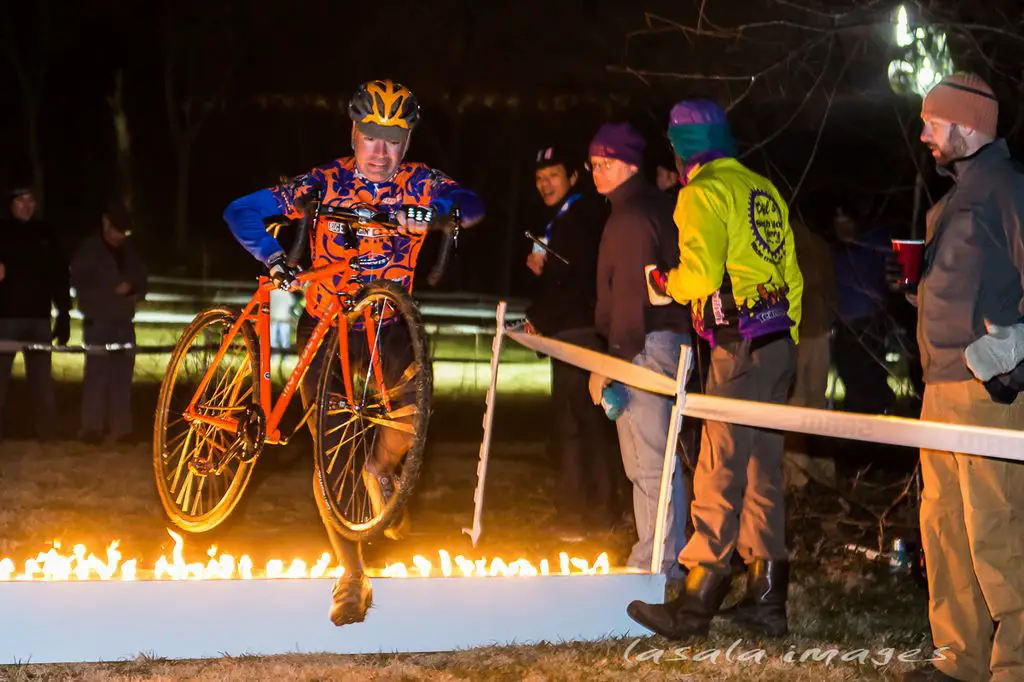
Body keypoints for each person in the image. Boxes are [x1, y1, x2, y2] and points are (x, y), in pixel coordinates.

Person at [223, 79, 484, 626]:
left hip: (388, 321)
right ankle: (351, 572)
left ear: (408, 139)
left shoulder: (419, 181)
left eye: (394, 138)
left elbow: (471, 204)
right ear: (354, 132)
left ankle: (380, 468)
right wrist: (274, 257)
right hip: (326, 320)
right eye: (371, 137)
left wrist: (436, 213)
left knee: (411, 416)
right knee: (327, 452)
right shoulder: (324, 182)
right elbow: (240, 211)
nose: (381, 151)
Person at [629, 99, 802, 639]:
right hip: (778, 344)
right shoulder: (761, 187)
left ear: (682, 147)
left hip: (740, 347)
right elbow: (790, 272)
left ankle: (694, 605)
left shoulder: (701, 192)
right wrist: (787, 336)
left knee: (718, 468)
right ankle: (767, 601)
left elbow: (700, 277)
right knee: (762, 473)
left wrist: (662, 284)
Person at [888, 72, 1024, 682]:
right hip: (938, 388)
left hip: (985, 390)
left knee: (998, 532)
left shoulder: (1006, 187)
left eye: (933, 124)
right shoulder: (954, 198)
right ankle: (958, 660)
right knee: (942, 531)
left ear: (968, 125)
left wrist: (1013, 355)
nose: (923, 135)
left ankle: (1015, 664)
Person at [586, 122, 693, 579]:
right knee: (664, 458)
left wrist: (609, 363)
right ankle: (672, 555)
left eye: (605, 163)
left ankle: (652, 564)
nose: (596, 172)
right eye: (592, 164)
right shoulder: (653, 206)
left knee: (648, 462)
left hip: (643, 347)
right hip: (667, 343)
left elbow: (629, 295)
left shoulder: (629, 217)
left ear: (630, 164)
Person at [524, 145, 621, 541]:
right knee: (587, 420)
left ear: (573, 178)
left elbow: (576, 281)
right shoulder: (566, 218)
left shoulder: (576, 217)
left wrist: (538, 316)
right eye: (540, 179)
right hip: (578, 329)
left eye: (554, 176)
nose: (546, 184)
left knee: (573, 423)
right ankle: (597, 511)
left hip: (578, 332)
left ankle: (577, 516)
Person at [70, 201, 148, 444]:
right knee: (96, 376)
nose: (120, 237)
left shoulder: (129, 251)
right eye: (117, 231)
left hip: (124, 322)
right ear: (106, 224)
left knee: (122, 378)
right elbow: (81, 283)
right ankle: (92, 428)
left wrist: (134, 289)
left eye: (125, 233)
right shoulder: (88, 251)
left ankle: (121, 429)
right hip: (99, 322)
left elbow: (142, 279)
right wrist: (111, 291)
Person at [0, 185, 71, 442]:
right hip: (6, 318)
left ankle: (47, 433)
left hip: (39, 318)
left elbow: (59, 275)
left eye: (31, 199)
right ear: (11, 203)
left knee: (42, 380)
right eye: (21, 199)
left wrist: (64, 313)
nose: (27, 205)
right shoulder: (2, 231)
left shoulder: (46, 234)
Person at [831, 193, 894, 415]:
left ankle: (877, 417)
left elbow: (887, 246)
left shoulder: (872, 246)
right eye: (838, 225)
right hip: (845, 327)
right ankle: (855, 427)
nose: (843, 230)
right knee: (849, 373)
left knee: (870, 377)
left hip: (870, 326)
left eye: (846, 223)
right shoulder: (837, 254)